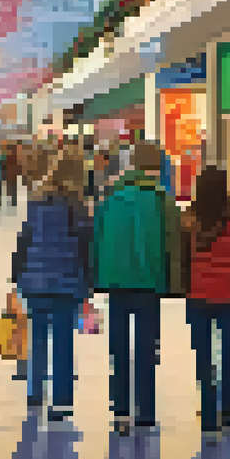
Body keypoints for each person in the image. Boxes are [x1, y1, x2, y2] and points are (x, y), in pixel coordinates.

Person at [94, 141, 182, 436]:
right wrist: (175, 283)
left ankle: (120, 412)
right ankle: (145, 413)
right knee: (146, 349)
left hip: (115, 282)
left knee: (118, 349)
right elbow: (173, 243)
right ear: (157, 167)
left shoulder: (111, 197)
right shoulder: (162, 200)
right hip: (149, 283)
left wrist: (96, 276)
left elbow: (97, 237)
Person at [12, 155, 94, 423]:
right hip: (66, 283)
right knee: (62, 343)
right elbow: (85, 248)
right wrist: (89, 282)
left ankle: (34, 393)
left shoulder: (36, 204)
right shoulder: (78, 208)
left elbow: (23, 240)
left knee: (37, 339)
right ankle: (60, 401)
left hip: (34, 281)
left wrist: (17, 276)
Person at [186, 165, 230, 442]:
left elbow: (181, 258)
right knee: (228, 354)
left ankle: (209, 410)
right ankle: (227, 409)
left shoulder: (188, 221)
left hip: (197, 295)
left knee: (203, 355)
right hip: (228, 298)